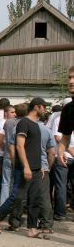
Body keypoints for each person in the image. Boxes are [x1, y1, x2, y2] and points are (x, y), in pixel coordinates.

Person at [0, 98, 48, 238]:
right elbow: (19, 145)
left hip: (37, 167)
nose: (45, 110)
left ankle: (32, 228)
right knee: (17, 197)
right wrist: (26, 166)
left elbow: (35, 147)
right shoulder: (24, 123)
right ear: (36, 107)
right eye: (43, 107)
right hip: (25, 167)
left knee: (34, 198)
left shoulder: (36, 124)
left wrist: (41, 166)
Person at [55, 66, 74, 221]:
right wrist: (61, 151)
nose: (71, 81)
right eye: (69, 78)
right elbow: (65, 137)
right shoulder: (68, 109)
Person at [0, 105, 17, 205]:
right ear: (6, 113)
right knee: (8, 181)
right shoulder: (5, 123)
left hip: (6, 155)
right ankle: (5, 204)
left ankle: (3, 204)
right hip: (7, 155)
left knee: (6, 181)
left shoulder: (7, 122)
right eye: (12, 112)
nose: (14, 114)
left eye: (15, 112)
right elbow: (0, 139)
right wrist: (5, 149)